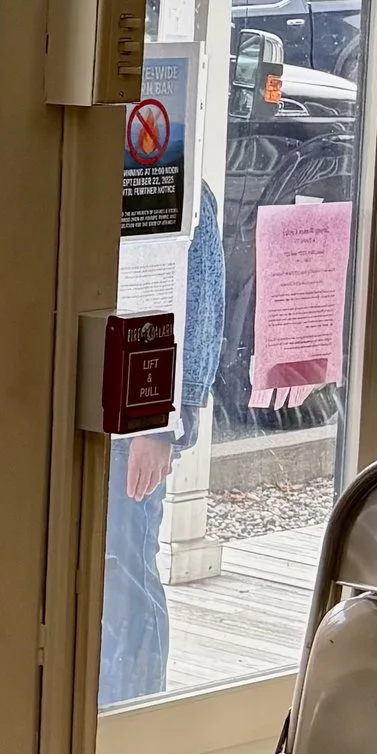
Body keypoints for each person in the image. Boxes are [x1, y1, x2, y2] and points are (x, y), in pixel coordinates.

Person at [100, 182, 224, 707]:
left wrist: (162, 427)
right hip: (71, 417)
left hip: (132, 426)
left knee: (124, 575)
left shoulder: (180, 184)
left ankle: (136, 714)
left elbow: (199, 313)